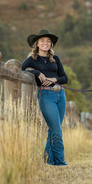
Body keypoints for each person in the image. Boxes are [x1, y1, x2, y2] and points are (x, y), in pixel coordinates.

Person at [22, 29, 68, 166]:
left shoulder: (55, 59)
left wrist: (54, 78)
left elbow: (65, 78)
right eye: (42, 41)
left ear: (51, 45)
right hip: (46, 95)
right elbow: (19, 70)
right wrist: (36, 72)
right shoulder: (31, 60)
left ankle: (48, 160)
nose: (45, 43)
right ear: (37, 44)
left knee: (53, 130)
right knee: (56, 131)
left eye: (48, 41)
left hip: (60, 94)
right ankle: (60, 162)